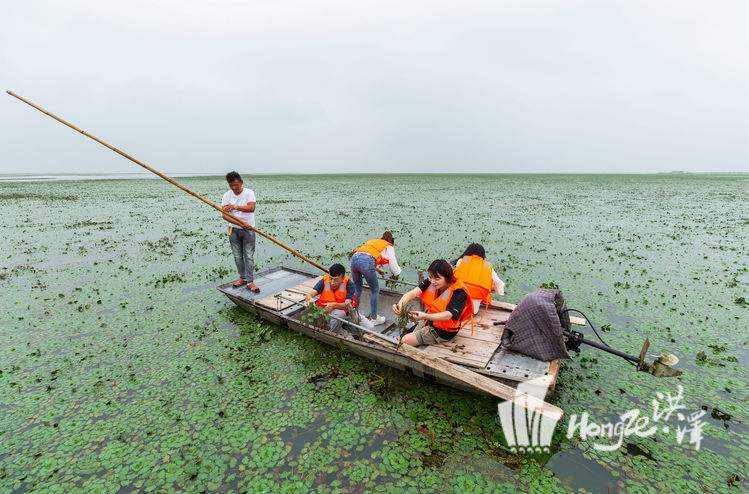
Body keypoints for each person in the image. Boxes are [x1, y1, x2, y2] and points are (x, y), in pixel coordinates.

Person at [391, 259, 473, 347]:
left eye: (437, 279)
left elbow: (448, 315)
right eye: (430, 277)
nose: (432, 281)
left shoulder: (459, 292)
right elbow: (412, 293)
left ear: (448, 278)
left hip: (443, 332)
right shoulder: (431, 281)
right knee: (400, 338)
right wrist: (400, 304)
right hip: (430, 321)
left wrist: (424, 316)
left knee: (404, 340)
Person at [351, 231, 401, 325]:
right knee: (375, 290)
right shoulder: (388, 246)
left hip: (354, 258)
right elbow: (393, 265)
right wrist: (396, 275)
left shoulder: (374, 241)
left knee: (357, 288)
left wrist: (377, 270)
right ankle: (374, 318)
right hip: (366, 262)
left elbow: (365, 255)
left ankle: (353, 312)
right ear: (391, 241)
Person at [221, 171, 258, 291]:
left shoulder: (249, 193)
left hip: (249, 230)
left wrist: (234, 207)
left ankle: (250, 282)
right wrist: (240, 224)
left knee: (248, 256)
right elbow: (225, 215)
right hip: (234, 229)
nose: (234, 188)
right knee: (237, 256)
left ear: (241, 182)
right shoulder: (227, 195)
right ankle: (242, 278)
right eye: (231, 185)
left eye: (236, 185)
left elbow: (251, 208)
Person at [305, 263, 359, 339]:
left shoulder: (349, 285)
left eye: (336, 280)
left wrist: (333, 305)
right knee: (340, 314)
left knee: (369, 327)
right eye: (331, 279)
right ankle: (331, 336)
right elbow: (309, 295)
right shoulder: (324, 282)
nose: (332, 283)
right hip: (328, 314)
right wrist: (310, 299)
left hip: (348, 313)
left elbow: (347, 305)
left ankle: (343, 327)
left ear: (342, 278)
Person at [453, 243, 505, 315]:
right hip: (473, 311)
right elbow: (501, 285)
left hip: (456, 307)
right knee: (489, 285)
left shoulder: (461, 261)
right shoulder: (488, 266)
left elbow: (455, 278)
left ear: (468, 252)